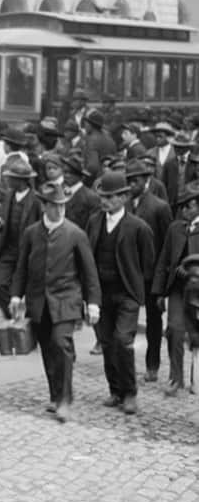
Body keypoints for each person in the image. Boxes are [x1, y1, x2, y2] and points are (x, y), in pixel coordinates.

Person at [11, 182, 102, 422]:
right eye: (54, 205)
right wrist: (15, 296)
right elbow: (21, 267)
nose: (60, 210)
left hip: (66, 299)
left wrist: (93, 303)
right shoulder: (31, 233)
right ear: (43, 205)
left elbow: (89, 272)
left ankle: (65, 400)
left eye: (63, 205)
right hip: (39, 301)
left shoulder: (75, 234)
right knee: (47, 348)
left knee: (61, 344)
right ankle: (55, 394)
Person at [86, 171, 155, 415]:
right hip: (101, 294)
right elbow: (87, 258)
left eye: (111, 197)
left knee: (122, 341)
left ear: (124, 197)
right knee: (106, 342)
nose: (105, 201)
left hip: (127, 294)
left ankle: (130, 393)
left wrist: (139, 293)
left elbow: (148, 266)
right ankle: (115, 390)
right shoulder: (94, 222)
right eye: (103, 196)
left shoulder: (139, 228)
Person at [126, 159, 172, 383]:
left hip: (152, 273)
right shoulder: (122, 204)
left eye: (136, 180)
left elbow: (168, 244)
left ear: (146, 180)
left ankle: (152, 364)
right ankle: (125, 364)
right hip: (128, 272)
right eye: (129, 181)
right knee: (127, 318)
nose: (132, 184)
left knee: (153, 321)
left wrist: (162, 279)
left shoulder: (159, 207)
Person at [151, 181, 199, 396]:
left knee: (196, 336)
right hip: (178, 290)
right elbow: (163, 261)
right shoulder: (175, 229)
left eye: (189, 206)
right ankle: (176, 378)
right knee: (174, 330)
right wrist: (160, 292)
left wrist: (190, 268)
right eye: (182, 206)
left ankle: (194, 378)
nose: (184, 211)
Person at [0, 159, 41, 320]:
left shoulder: (36, 200)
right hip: (8, 249)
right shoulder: (8, 196)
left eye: (11, 177)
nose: (7, 180)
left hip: (28, 251)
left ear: (21, 180)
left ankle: (29, 324)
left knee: (30, 288)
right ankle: (13, 317)